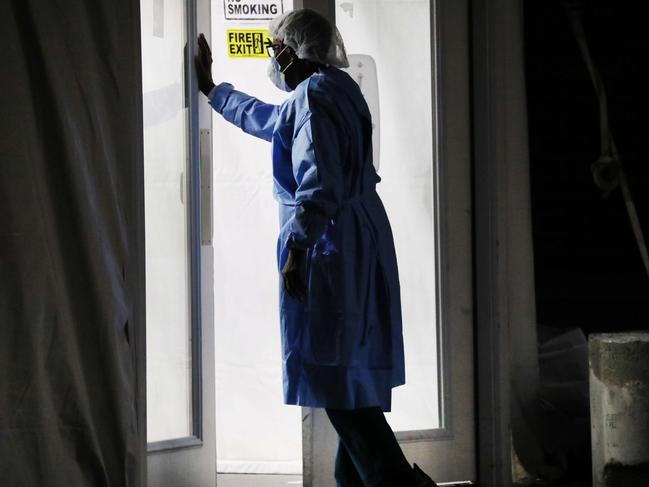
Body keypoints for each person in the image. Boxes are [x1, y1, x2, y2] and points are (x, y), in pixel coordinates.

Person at [195, 9, 437, 487]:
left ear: (293, 49)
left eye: (275, 49)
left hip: (331, 246)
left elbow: (318, 185)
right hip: (356, 238)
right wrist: (215, 92)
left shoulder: (314, 98)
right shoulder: (336, 90)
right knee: (348, 383)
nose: (272, 58)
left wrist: (297, 251)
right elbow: (272, 122)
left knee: (340, 390)